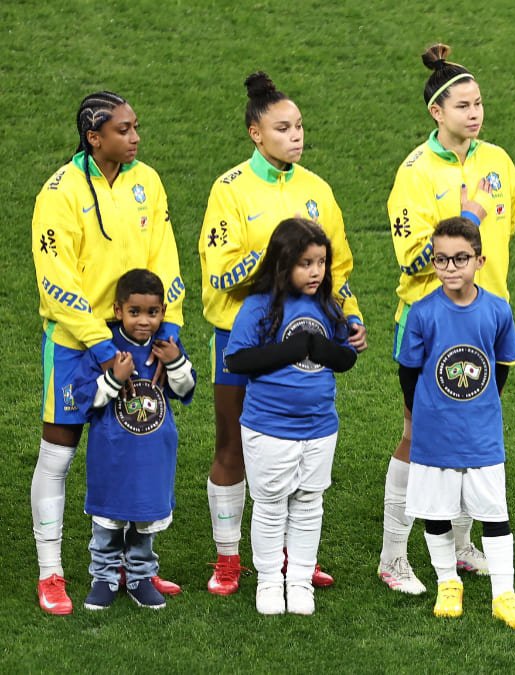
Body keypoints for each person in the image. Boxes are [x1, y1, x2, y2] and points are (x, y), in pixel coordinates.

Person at [199, 72, 365, 595]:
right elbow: (217, 274)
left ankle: (296, 557)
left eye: (299, 127)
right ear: (256, 133)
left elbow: (336, 269)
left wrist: (350, 318)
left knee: (299, 445)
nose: (296, 136)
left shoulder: (317, 190)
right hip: (240, 338)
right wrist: (276, 254)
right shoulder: (229, 190)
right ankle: (229, 558)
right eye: (283, 127)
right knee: (232, 447)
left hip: (309, 339)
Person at [31, 91, 186, 614]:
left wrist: (171, 336)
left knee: (134, 442)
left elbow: (166, 257)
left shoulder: (148, 181)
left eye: (136, 126)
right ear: (94, 137)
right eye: (124, 129)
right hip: (78, 341)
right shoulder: (60, 192)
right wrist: (99, 345)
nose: (136, 137)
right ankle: (50, 573)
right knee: (60, 451)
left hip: (139, 336)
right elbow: (56, 282)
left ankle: (132, 567)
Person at [380, 43, 515, 595]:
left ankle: (460, 546)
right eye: (462, 105)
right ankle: (393, 557)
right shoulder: (413, 174)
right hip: (428, 325)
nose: (475, 113)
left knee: (469, 434)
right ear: (436, 112)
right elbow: (414, 257)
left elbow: (502, 242)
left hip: (484, 325)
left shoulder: (499, 162)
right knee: (419, 436)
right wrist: (470, 217)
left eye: (479, 103)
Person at [397, 218, 515, 629]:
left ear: (479, 260)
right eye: (442, 259)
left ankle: (504, 593)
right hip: (435, 432)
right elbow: (409, 372)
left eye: (461, 258)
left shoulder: (497, 310)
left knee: (494, 512)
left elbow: (502, 364)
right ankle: (447, 582)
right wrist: (425, 412)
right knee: (435, 510)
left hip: (482, 434)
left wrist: (485, 403)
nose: (451, 267)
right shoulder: (422, 313)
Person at [224, 218, 358, 615]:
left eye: (321, 262)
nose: (316, 271)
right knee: (269, 505)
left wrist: (320, 347)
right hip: (269, 428)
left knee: (308, 503)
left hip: (319, 427)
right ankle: (268, 581)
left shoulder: (328, 305)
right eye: (305, 263)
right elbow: (237, 359)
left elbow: (345, 357)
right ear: (284, 265)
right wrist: (296, 348)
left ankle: (299, 582)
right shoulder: (258, 306)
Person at [76, 269, 195, 610]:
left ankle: (141, 575)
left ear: (162, 312)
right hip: (112, 454)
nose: (144, 321)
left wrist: (176, 363)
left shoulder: (166, 346)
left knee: (145, 516)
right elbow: (88, 401)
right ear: (118, 311)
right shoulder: (105, 348)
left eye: (153, 313)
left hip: (153, 454)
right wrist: (115, 376)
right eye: (135, 312)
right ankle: (104, 576)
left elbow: (185, 390)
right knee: (109, 518)